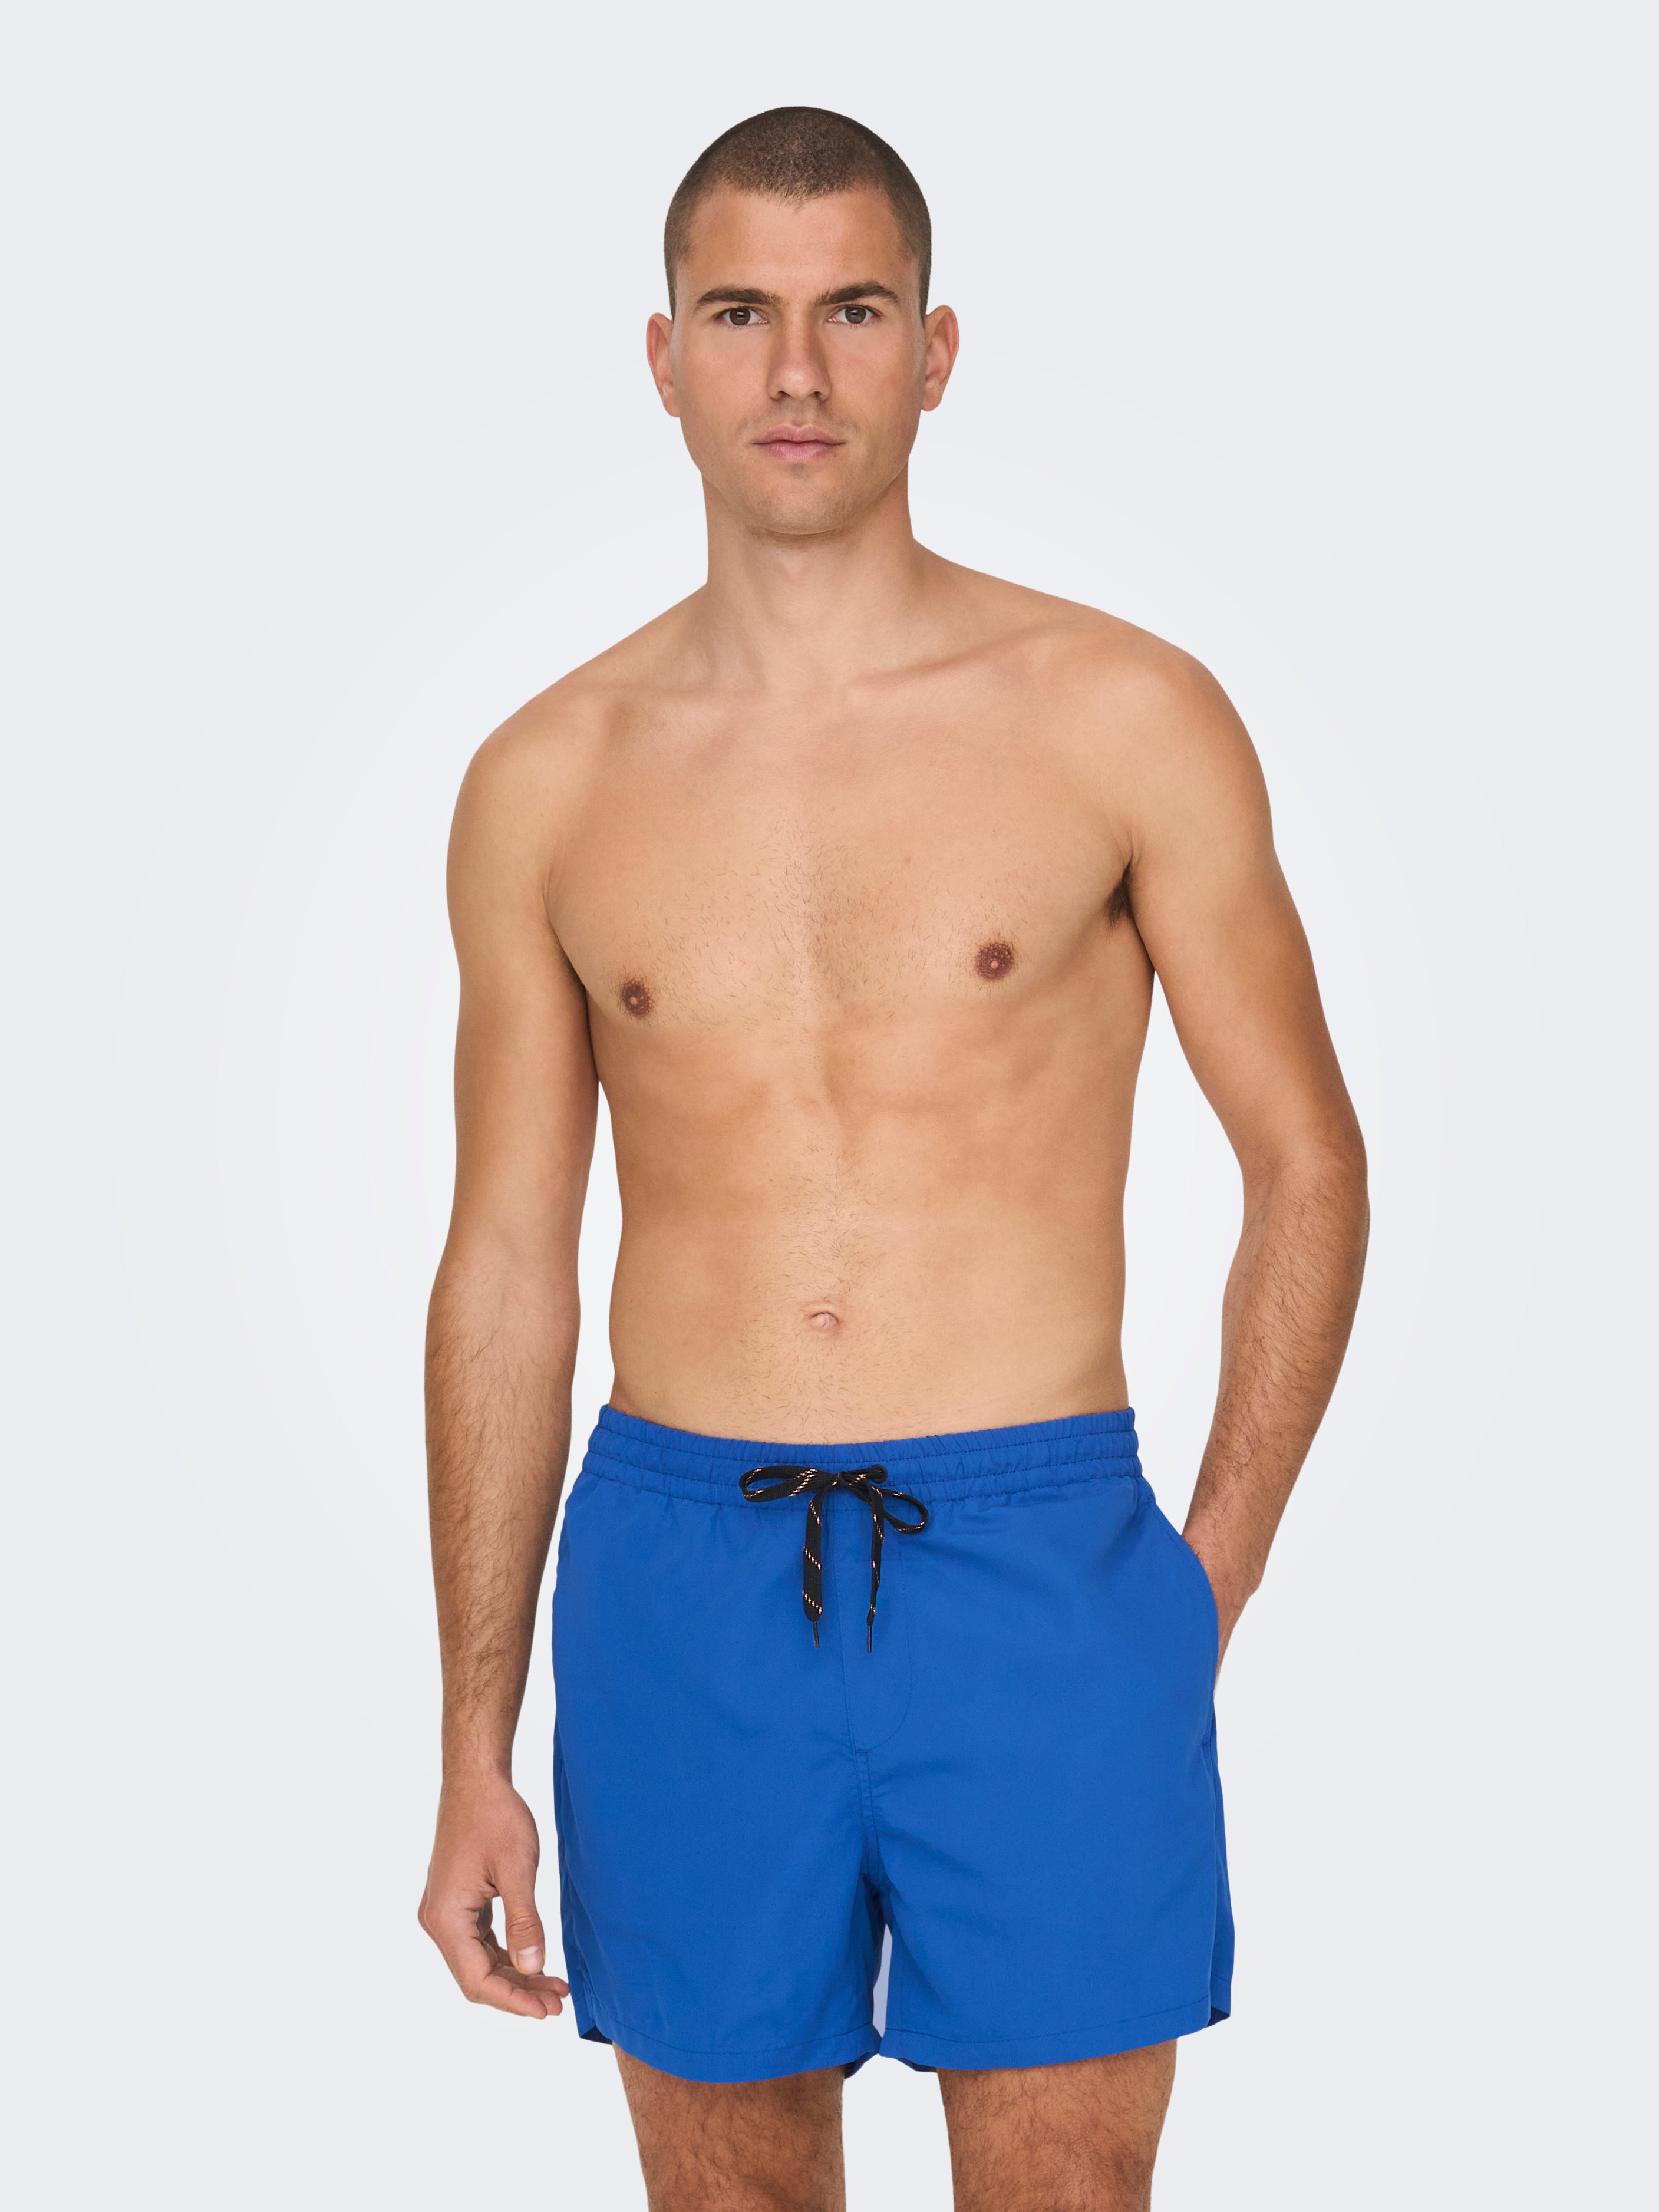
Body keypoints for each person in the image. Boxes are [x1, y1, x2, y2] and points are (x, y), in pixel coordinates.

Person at [417, 106, 1368, 2212]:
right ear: (661, 356)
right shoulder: (546, 778)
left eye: (852, 310)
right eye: (737, 315)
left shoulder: (1122, 713)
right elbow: (503, 1262)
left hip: (1039, 1556)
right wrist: (473, 1737)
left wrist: (1199, 1579)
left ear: (935, 351)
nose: (794, 370)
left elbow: (1307, 1158)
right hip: (681, 1570)